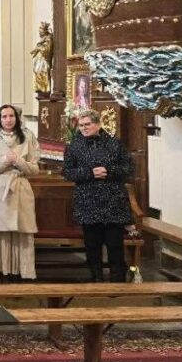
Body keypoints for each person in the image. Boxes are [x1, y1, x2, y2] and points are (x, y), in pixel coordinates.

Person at [63, 109, 134, 283]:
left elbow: (129, 169)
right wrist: (90, 173)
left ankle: (117, 281)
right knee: (92, 246)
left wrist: (108, 171)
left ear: (98, 124)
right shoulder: (74, 146)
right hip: (88, 201)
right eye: (81, 125)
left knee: (115, 245)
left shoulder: (114, 143)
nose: (84, 128)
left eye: (87, 124)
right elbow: (68, 172)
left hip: (113, 201)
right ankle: (96, 279)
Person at [0, 104, 41, 281]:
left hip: (21, 187)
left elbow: (35, 169)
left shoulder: (27, 138)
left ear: (17, 118)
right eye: (4, 116)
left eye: (11, 116)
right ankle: (0, 271)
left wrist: (19, 162)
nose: (8, 120)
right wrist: (4, 161)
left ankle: (22, 272)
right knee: (0, 233)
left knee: (23, 231)